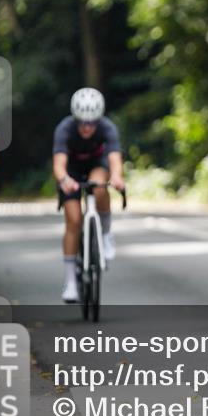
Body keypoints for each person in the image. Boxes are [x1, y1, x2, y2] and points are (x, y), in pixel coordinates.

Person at [52, 87, 125, 303]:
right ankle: (70, 282)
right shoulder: (64, 129)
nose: (87, 127)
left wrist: (117, 177)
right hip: (71, 171)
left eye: (92, 122)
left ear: (98, 119)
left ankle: (106, 234)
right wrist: (64, 180)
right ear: (75, 119)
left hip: (96, 165)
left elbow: (114, 159)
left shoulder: (107, 127)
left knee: (100, 186)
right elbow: (58, 165)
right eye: (82, 122)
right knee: (73, 220)